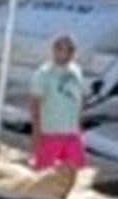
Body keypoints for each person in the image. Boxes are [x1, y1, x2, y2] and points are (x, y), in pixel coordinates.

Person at [28, 33, 86, 170]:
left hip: (71, 132)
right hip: (50, 131)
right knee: (43, 172)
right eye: (61, 49)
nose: (66, 54)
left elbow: (79, 100)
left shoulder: (76, 71)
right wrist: (36, 135)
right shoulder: (43, 74)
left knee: (74, 168)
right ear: (54, 50)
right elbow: (35, 105)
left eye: (71, 50)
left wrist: (79, 127)